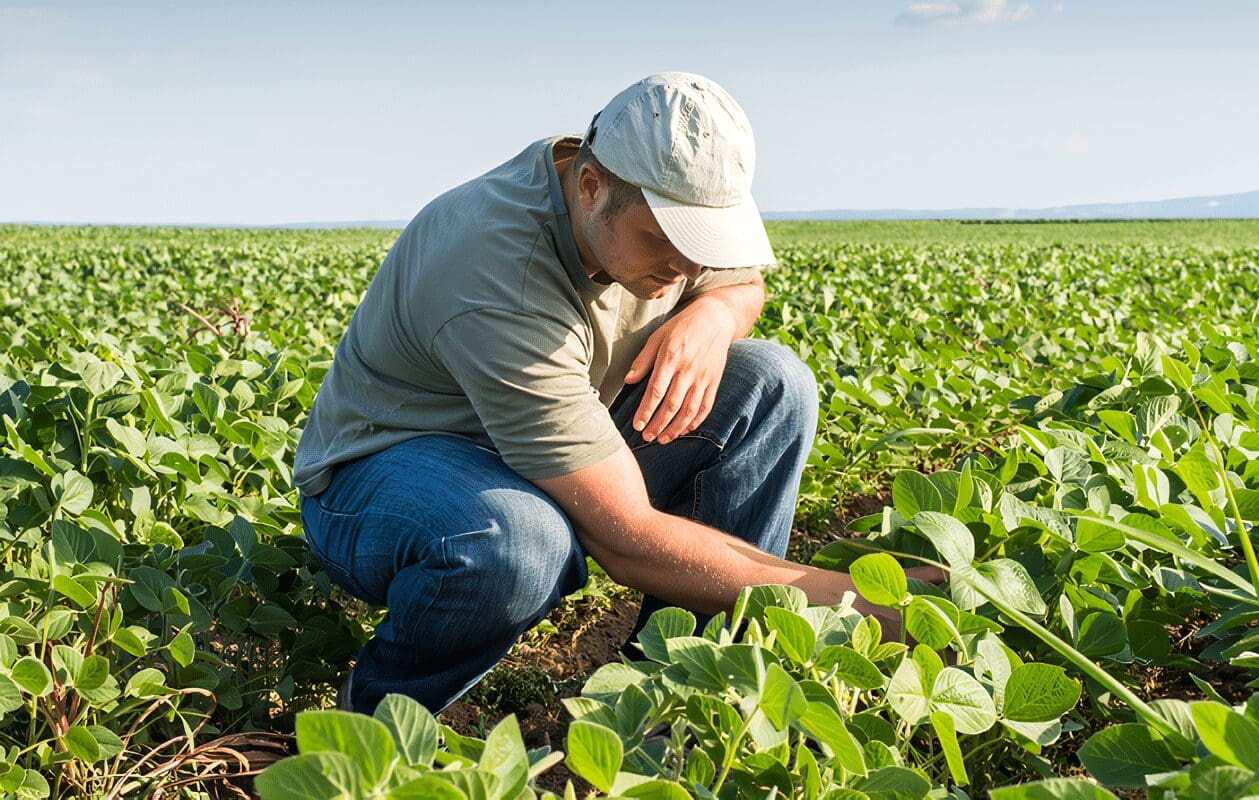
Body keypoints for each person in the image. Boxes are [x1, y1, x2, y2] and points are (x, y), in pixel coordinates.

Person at [292, 72, 941, 716]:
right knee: (520, 542)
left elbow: (743, 285)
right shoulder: (498, 274)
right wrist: (855, 605)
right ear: (591, 186)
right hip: (388, 475)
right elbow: (627, 538)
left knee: (773, 385)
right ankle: (375, 718)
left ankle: (681, 695)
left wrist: (710, 317)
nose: (687, 269)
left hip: (552, 443)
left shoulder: (649, 194)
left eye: (703, 244)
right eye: (668, 242)